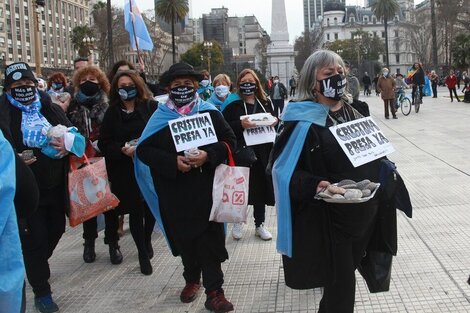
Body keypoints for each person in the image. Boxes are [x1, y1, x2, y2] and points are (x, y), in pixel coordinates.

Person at [269, 50, 385, 313]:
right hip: (327, 219)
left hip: (362, 213)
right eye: (328, 74)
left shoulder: (356, 112)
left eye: (340, 72)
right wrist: (317, 185)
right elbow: (281, 171)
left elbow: (374, 152)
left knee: (340, 281)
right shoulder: (299, 121)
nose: (337, 77)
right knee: (342, 286)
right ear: (313, 82)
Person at [135, 62, 236, 313]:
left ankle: (215, 291)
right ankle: (191, 278)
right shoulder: (159, 117)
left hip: (207, 189)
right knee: (186, 240)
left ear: (196, 87)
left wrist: (207, 155)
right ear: (169, 88)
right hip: (174, 192)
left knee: (209, 241)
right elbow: (144, 150)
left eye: (188, 85)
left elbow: (229, 142)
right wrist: (172, 162)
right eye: (177, 85)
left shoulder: (210, 112)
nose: (183, 89)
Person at [0, 62, 85, 313]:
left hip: (55, 186)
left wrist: (68, 144)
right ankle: (42, 290)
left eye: (27, 84)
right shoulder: (3, 111)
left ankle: (32, 266)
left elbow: (76, 135)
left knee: (55, 230)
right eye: (17, 86)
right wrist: (14, 160)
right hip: (25, 191)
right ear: (7, 89)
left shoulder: (47, 105)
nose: (24, 90)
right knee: (34, 240)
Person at [98, 70, 157, 275]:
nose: (126, 89)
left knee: (149, 209)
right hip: (124, 169)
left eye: (129, 85)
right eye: (121, 86)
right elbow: (104, 143)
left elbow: (160, 133)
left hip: (149, 166)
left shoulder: (150, 107)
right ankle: (142, 253)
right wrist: (122, 150)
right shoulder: (113, 112)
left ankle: (147, 238)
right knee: (134, 210)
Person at [67, 65, 123, 264]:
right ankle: (89, 242)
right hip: (81, 159)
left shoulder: (109, 104)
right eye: (83, 80)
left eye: (92, 79)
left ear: (101, 81)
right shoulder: (73, 105)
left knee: (107, 203)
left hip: (105, 158)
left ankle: (113, 243)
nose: (88, 83)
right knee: (87, 202)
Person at [222, 69, 277, 241]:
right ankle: (238, 221)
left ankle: (259, 224)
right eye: (244, 81)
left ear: (256, 84)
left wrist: (275, 121)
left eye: (250, 81)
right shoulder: (233, 106)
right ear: (239, 85)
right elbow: (225, 128)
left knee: (260, 189)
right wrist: (240, 124)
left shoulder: (265, 102)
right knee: (241, 188)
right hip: (242, 153)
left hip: (262, 152)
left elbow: (275, 121)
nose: (248, 84)